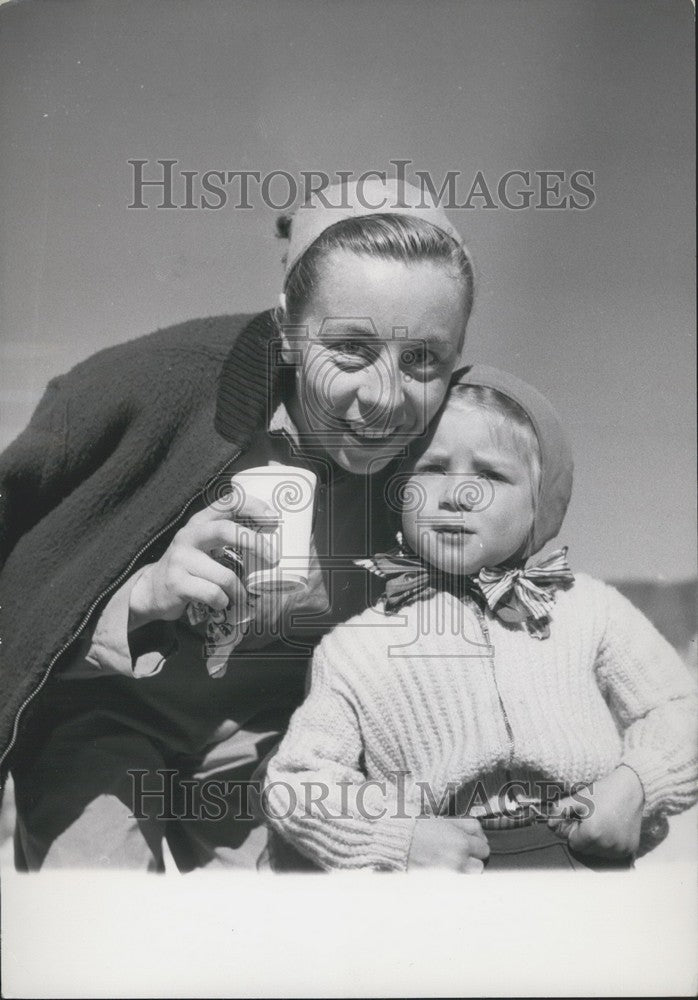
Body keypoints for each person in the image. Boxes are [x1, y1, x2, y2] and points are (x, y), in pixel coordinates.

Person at [0, 178, 480, 871]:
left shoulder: (450, 453)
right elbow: (25, 565)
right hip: (98, 717)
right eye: (349, 347)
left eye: (423, 359)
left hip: (270, 747)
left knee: (281, 943)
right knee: (103, 930)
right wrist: (141, 595)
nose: (383, 396)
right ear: (285, 329)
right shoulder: (157, 385)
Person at [263, 365, 698, 871]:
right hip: (444, 876)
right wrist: (398, 837)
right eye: (432, 468)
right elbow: (296, 784)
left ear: (540, 504)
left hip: (588, 859)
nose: (458, 495)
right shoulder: (357, 648)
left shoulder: (588, 608)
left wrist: (636, 785)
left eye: (490, 474)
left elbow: (678, 708)